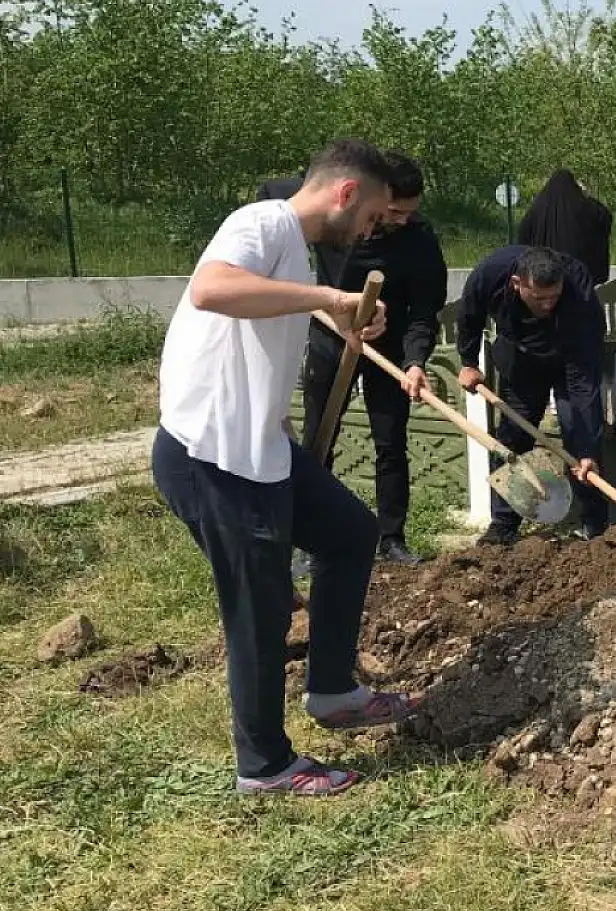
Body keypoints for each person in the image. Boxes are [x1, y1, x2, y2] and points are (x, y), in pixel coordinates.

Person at [152, 139, 419, 796]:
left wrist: (329, 314)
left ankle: (331, 691)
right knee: (261, 609)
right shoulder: (261, 223)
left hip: (260, 446)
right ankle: (265, 765)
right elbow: (213, 289)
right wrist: (326, 293)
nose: (373, 230)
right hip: (212, 456)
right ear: (347, 194)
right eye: (374, 216)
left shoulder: (291, 247)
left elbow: (253, 333)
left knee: (352, 534)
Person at [300, 152, 448, 566]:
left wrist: (415, 361)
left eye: (410, 213)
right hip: (331, 336)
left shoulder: (418, 238)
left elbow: (424, 308)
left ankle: (391, 539)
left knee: (391, 441)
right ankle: (314, 540)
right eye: (394, 212)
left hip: (389, 344)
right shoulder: (338, 221)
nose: (401, 220)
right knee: (320, 438)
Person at [456, 245, 611, 546]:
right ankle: (503, 524)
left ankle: (595, 524)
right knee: (512, 438)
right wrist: (468, 362)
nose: (548, 304)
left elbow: (583, 383)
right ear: (517, 283)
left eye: (554, 296)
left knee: (579, 439)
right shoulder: (491, 273)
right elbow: (469, 313)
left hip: (571, 361)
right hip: (522, 357)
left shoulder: (579, 293)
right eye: (539, 298)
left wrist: (588, 449)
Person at [518, 168, 614, 286]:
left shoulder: (537, 208)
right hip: (579, 277)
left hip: (545, 277)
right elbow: (604, 218)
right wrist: (586, 195)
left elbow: (523, 238)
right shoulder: (584, 206)